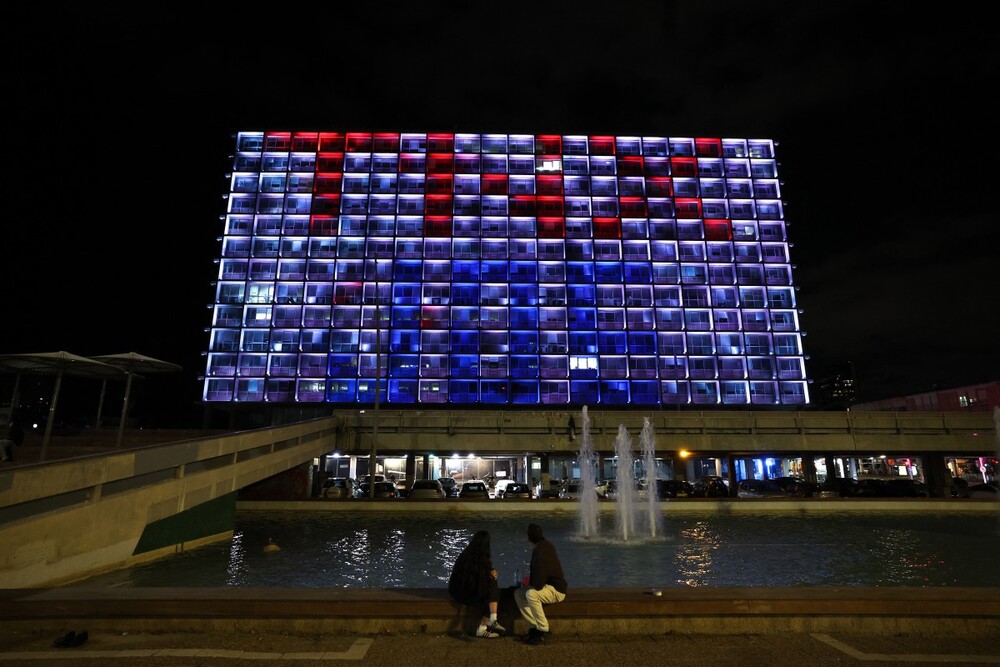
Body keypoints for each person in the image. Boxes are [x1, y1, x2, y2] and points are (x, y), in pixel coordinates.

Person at [514, 522, 567, 645]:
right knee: (518, 593)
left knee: (531, 594)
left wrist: (528, 582)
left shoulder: (540, 552)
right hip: (549, 586)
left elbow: (537, 584)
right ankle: (533, 627)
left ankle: (543, 629)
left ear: (529, 538)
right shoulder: (546, 545)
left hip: (556, 590)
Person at [448, 530, 506, 638]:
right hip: (461, 592)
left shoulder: (469, 555)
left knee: (490, 587)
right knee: (488, 593)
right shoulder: (472, 560)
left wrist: (489, 571)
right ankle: (485, 626)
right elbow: (471, 581)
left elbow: (478, 576)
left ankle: (491, 621)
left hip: (461, 589)